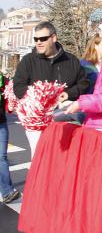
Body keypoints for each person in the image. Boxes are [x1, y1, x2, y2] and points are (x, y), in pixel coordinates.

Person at [13, 21, 89, 156]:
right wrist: (38, 100)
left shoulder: (71, 61)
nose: (38, 42)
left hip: (64, 118)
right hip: (38, 121)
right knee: (39, 159)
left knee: (62, 159)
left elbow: (83, 84)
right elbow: (18, 87)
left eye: (43, 39)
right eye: (36, 39)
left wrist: (68, 93)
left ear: (54, 38)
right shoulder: (27, 61)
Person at [0, 73, 20, 203]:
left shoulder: (3, 80)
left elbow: (8, 102)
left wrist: (10, 107)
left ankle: (7, 192)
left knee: (1, 157)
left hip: (1, 122)